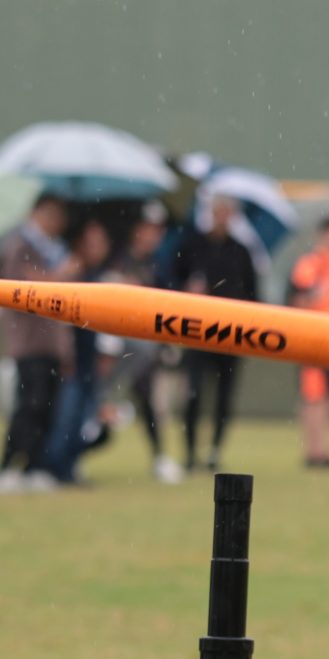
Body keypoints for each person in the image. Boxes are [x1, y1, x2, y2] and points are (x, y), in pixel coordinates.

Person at [0, 192, 74, 493]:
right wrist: (58, 276)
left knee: (46, 408)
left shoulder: (55, 249)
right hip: (28, 343)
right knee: (28, 406)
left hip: (53, 343)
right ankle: (7, 467)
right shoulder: (20, 247)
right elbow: (20, 291)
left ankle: (34, 466)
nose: (58, 222)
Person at [176, 196, 260, 474]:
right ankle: (190, 452)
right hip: (198, 331)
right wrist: (187, 290)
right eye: (218, 211)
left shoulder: (241, 251)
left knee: (224, 397)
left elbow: (252, 294)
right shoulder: (192, 245)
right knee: (194, 393)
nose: (221, 216)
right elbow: (172, 281)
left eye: (227, 212)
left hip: (231, 333)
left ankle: (214, 450)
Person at [41, 222, 115, 485]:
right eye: (91, 243)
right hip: (70, 360)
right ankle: (54, 469)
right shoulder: (71, 274)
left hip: (89, 362)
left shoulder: (102, 277)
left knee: (84, 419)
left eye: (101, 243)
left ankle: (69, 468)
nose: (97, 249)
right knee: (65, 417)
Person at [116, 205, 182, 484]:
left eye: (157, 231)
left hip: (144, 350)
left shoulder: (158, 265)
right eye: (147, 229)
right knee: (97, 404)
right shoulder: (119, 261)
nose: (151, 236)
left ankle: (159, 457)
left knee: (150, 405)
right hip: (113, 351)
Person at [287, 216, 329, 470]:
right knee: (313, 396)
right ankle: (314, 451)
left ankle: (321, 449)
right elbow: (299, 298)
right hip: (313, 338)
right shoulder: (312, 264)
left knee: (325, 396)